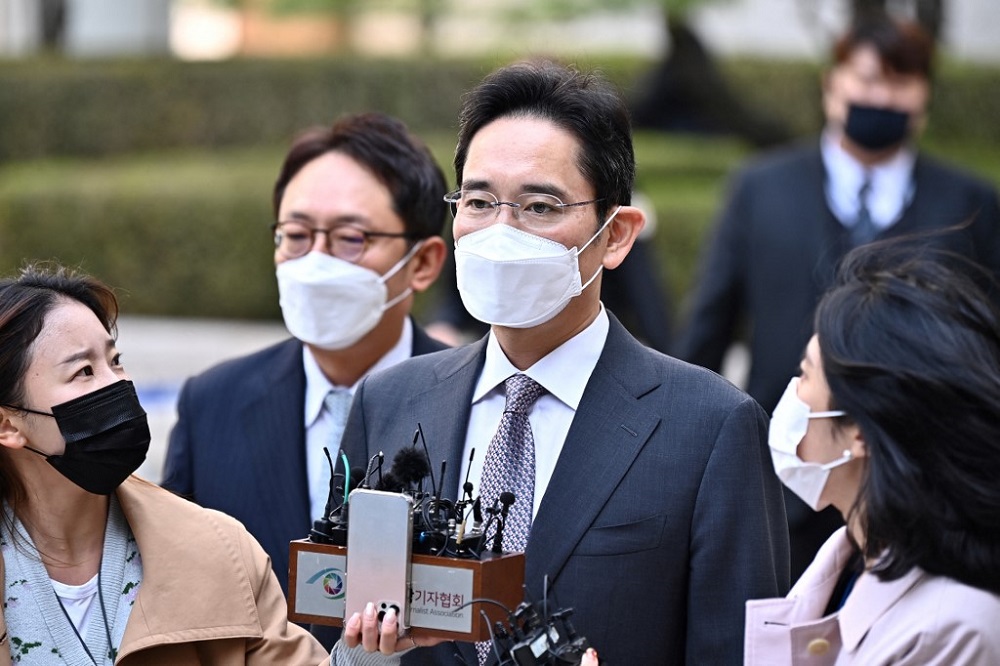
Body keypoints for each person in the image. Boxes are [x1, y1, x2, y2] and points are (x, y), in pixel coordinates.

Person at [338, 59, 789, 666]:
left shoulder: (711, 428)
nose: (500, 232)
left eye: (539, 207)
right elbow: (335, 626)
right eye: (478, 201)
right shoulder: (389, 402)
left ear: (617, 233)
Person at [674, 13, 1000, 582]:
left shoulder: (970, 202)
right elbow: (710, 324)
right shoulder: (760, 187)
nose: (880, 95)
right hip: (781, 478)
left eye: (899, 82)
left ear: (923, 98)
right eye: (867, 79)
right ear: (833, 86)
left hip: (922, 489)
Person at [161, 112, 449, 600]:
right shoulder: (211, 405)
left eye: (351, 238)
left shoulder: (474, 405)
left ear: (421, 263)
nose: (316, 261)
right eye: (296, 236)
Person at [0, 263, 330, 664]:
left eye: (115, 361)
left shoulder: (220, 551)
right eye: (83, 371)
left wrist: (366, 652)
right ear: (8, 423)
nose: (117, 384)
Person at [746, 241, 1000, 663]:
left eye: (805, 376)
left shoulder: (953, 630)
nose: (792, 396)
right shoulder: (848, 555)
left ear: (860, 430)